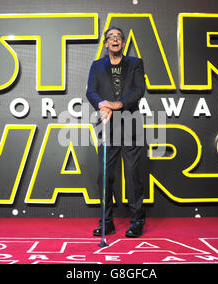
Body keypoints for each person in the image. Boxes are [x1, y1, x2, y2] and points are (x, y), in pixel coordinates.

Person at [86, 26, 146, 238]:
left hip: (131, 123)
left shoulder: (135, 63)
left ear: (123, 43)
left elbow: (139, 90)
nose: (114, 39)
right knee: (105, 176)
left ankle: (137, 221)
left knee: (132, 174)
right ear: (105, 44)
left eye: (118, 37)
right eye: (110, 37)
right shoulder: (97, 65)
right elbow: (90, 91)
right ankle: (107, 222)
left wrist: (116, 104)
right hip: (107, 125)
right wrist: (102, 104)